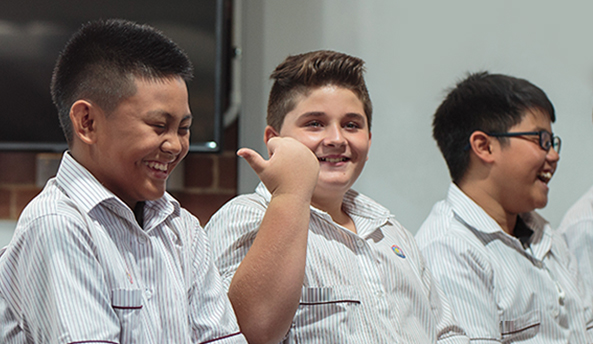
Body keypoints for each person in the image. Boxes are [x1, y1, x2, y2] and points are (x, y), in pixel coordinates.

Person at [0, 19, 246, 343]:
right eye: (159, 126)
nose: (174, 145)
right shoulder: (59, 225)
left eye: (183, 129)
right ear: (87, 122)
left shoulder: (182, 229)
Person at [205, 50, 469, 343]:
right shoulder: (246, 216)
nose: (337, 139)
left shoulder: (391, 231)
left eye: (352, 125)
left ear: (369, 139)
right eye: (315, 123)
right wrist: (291, 192)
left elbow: (447, 331)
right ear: (273, 140)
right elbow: (246, 333)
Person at [415, 71, 593, 342]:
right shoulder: (449, 248)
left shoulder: (544, 234)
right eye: (541, 140)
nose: (554, 155)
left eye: (553, 142)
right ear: (484, 147)